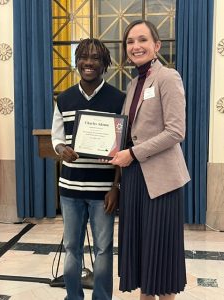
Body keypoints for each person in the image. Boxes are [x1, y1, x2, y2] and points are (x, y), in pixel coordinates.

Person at [109, 20, 191, 300]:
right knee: (144, 256)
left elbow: (176, 131)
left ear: (156, 46)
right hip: (134, 181)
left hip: (161, 183)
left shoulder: (168, 77)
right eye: (130, 42)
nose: (135, 46)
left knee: (162, 263)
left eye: (142, 40)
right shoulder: (134, 83)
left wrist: (131, 153)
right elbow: (129, 131)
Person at [51, 38, 125, 300]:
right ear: (76, 61)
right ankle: (73, 297)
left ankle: (102, 298)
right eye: (83, 57)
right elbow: (56, 137)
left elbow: (124, 150)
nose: (89, 62)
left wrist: (115, 187)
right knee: (72, 248)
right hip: (70, 189)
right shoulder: (65, 98)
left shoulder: (119, 99)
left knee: (104, 249)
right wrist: (62, 150)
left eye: (95, 58)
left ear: (105, 63)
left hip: (103, 192)